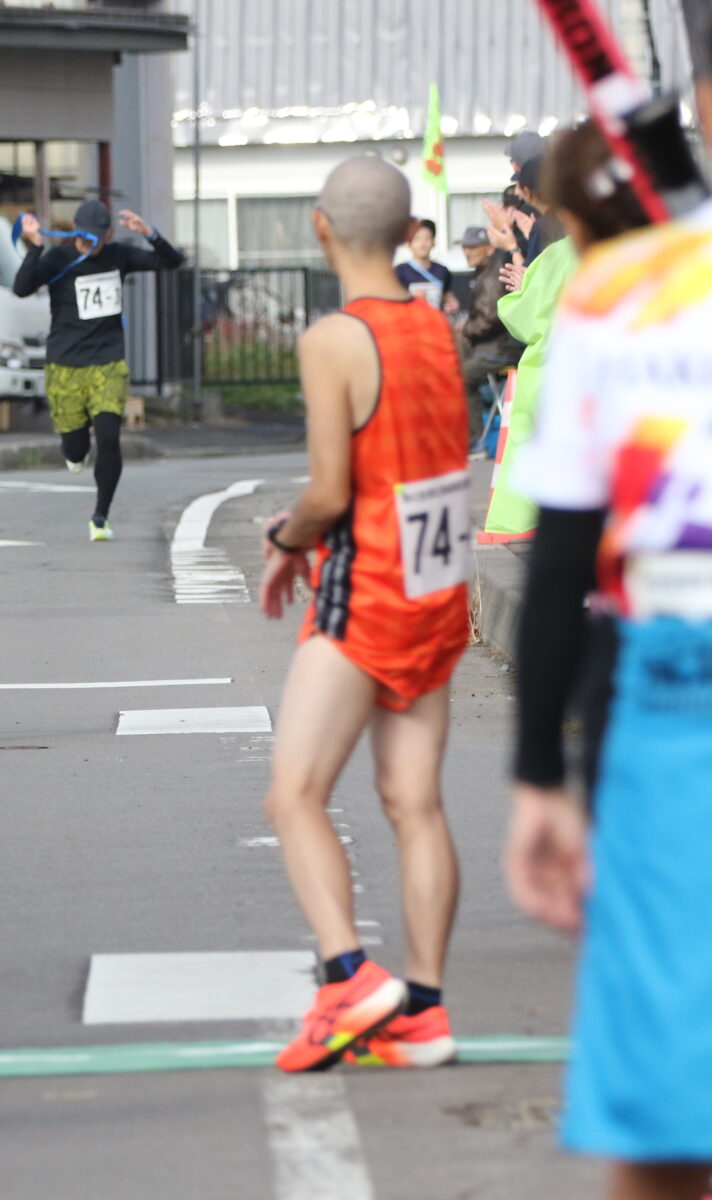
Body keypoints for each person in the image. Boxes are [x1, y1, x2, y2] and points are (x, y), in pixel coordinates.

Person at [506, 109, 699, 1200]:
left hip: (667, 700)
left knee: (664, 1113)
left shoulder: (611, 307)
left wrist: (539, 772)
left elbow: (561, 558)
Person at [258, 155, 471, 1073]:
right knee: (413, 803)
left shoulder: (335, 338)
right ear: (407, 228)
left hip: (371, 587)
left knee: (295, 793)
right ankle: (422, 1010)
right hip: (439, 590)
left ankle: (347, 976)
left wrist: (284, 536)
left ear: (320, 228)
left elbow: (330, 492)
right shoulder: (435, 330)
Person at [13, 198, 184, 541]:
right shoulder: (59, 258)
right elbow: (22, 288)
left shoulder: (118, 254)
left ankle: (101, 516)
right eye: (85, 238)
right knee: (75, 448)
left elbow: (172, 262)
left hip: (108, 362)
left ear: (108, 234)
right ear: (76, 231)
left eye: (98, 238)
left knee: (109, 438)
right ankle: (75, 454)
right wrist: (34, 248)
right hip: (64, 364)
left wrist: (149, 233)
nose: (91, 245)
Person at [484, 159, 581, 540]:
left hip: (550, 377)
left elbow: (522, 317)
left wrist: (524, 288)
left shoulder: (559, 255)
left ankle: (519, 527)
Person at [457, 225, 522, 456]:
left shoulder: (492, 273)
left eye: (472, 247)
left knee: (462, 376)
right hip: (496, 346)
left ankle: (475, 442)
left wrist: (467, 329)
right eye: (464, 247)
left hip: (501, 350)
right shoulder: (486, 269)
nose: (467, 251)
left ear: (488, 248)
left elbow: (489, 318)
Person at [395, 218, 457, 313]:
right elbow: (392, 304)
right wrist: (412, 299)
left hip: (435, 324)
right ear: (409, 244)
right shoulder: (399, 271)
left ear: (433, 243)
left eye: (427, 238)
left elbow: (448, 297)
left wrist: (453, 305)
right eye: (417, 239)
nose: (422, 244)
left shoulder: (442, 271)